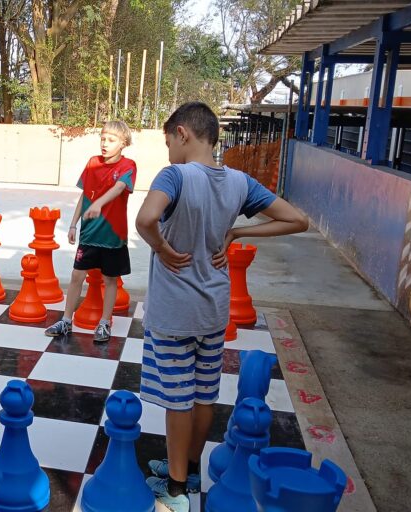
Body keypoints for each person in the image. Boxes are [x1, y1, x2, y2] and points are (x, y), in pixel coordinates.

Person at [134, 101, 308, 512]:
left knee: (177, 400)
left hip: (175, 313)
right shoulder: (239, 182)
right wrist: (239, 231)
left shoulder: (175, 175)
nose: (168, 151)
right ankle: (190, 468)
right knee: (202, 394)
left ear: (182, 133)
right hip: (214, 310)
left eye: (167, 141)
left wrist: (160, 247)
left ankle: (176, 490)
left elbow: (145, 219)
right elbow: (296, 220)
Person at [44, 120, 136, 342]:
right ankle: (66, 320)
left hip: (113, 235)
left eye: (111, 140)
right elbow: (84, 196)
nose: (105, 143)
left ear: (123, 143)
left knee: (110, 279)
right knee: (76, 276)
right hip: (89, 233)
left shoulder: (128, 165)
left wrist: (99, 204)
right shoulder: (92, 163)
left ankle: (105, 323)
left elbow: (120, 187)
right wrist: (74, 223)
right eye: (103, 138)